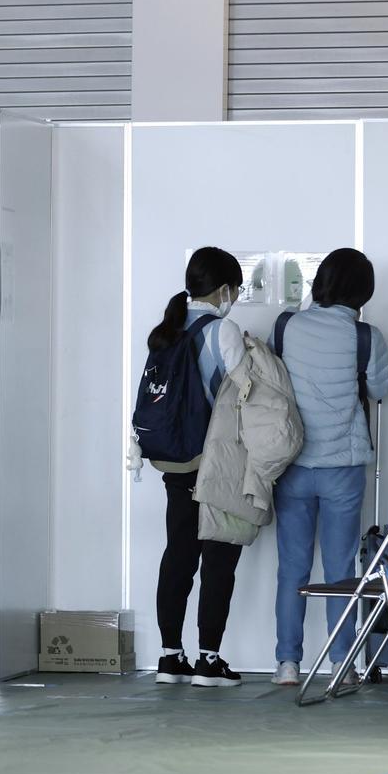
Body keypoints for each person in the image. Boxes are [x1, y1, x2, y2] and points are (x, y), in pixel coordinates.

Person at [269, 248, 388, 687]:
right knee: (341, 570)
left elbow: (272, 380)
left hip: (293, 464)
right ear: (363, 290)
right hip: (343, 465)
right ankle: (343, 661)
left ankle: (287, 663)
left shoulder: (285, 325)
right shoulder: (366, 336)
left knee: (292, 568)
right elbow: (381, 389)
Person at [150, 247, 247, 688]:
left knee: (178, 555)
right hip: (215, 461)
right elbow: (246, 392)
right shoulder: (222, 331)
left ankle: (171, 656)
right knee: (219, 556)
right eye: (237, 290)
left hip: (174, 460)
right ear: (225, 289)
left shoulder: (167, 327)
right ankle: (210, 660)